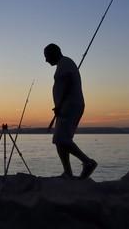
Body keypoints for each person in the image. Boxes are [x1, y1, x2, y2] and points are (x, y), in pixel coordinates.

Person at [44, 43, 97, 179]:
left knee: (62, 139)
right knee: (59, 139)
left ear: (54, 53)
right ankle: (68, 172)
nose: (46, 60)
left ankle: (88, 162)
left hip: (70, 106)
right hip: (65, 107)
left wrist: (59, 104)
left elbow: (68, 83)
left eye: (47, 56)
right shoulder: (63, 64)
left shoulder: (65, 62)